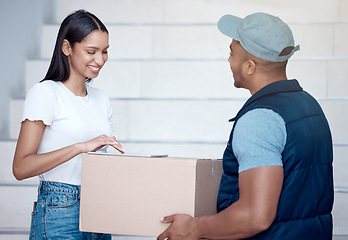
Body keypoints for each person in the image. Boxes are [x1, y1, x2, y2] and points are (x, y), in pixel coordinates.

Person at [157, 12, 333, 240]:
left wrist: (193, 227)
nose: (229, 60)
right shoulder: (309, 106)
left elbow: (254, 216)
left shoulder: (260, 119)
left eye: (232, 53)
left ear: (250, 66)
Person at [12, 9, 125, 240]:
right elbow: (21, 168)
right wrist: (79, 147)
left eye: (105, 52)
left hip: (100, 207)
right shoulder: (45, 93)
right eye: (91, 51)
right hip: (60, 208)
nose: (100, 60)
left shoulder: (101, 99)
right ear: (67, 48)